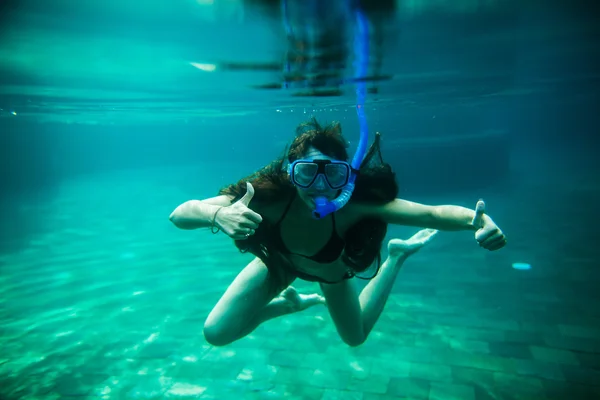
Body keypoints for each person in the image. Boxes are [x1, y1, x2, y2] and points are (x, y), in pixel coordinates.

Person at [169, 118, 507, 347]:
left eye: (332, 173)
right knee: (216, 333)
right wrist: (217, 214)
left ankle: (397, 257)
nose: (319, 185)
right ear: (290, 173)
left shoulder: (354, 205)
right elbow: (179, 214)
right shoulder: (266, 197)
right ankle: (288, 304)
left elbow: (431, 213)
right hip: (279, 264)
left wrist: (478, 221)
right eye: (306, 173)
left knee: (355, 337)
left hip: (330, 273)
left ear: (347, 176)